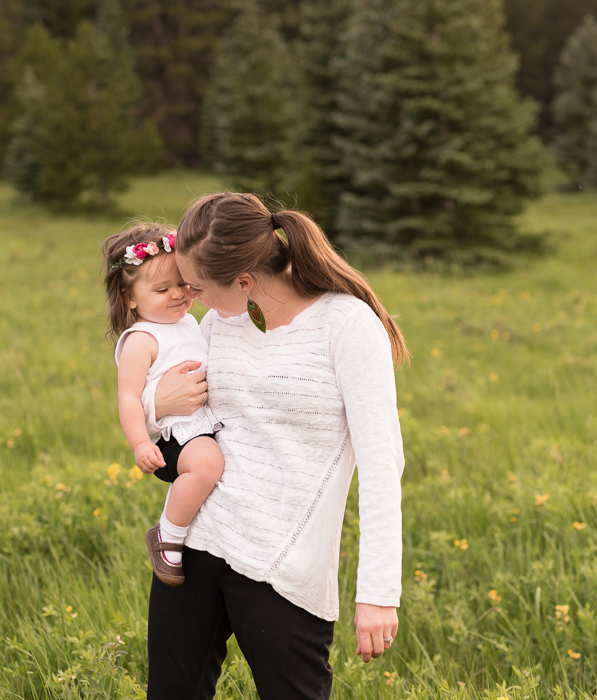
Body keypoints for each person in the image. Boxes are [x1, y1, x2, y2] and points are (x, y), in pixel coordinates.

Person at [143, 193, 409, 700]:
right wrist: (156, 402)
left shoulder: (346, 326)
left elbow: (381, 464)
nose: (189, 298)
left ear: (243, 281)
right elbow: (178, 424)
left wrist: (378, 593)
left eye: (197, 287)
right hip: (195, 546)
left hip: (283, 566)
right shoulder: (219, 322)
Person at [101, 223, 224, 587]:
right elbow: (128, 397)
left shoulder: (189, 321)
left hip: (205, 420)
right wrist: (140, 443)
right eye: (162, 289)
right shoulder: (142, 339)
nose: (177, 294)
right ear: (130, 299)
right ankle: (168, 535)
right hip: (178, 432)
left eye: (182, 283)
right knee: (207, 464)